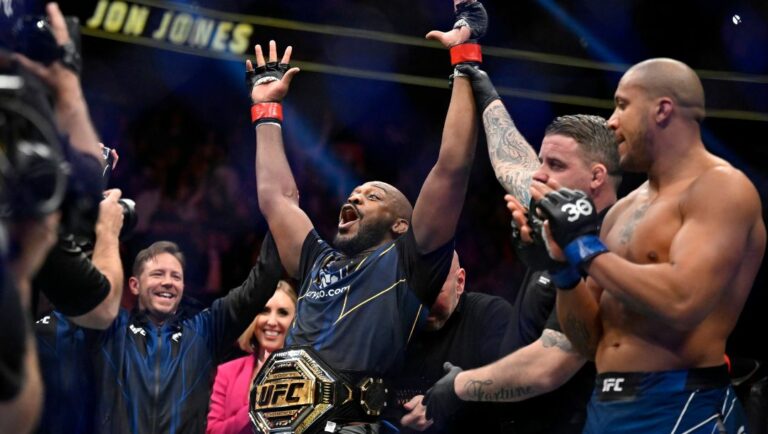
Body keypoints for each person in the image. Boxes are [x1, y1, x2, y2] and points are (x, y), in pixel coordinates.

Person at [246, 1, 484, 430]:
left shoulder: (409, 262)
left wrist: (464, 59)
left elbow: (452, 167)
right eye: (354, 194)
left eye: (372, 197)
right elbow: (277, 199)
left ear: (400, 224)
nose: (355, 198)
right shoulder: (318, 261)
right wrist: (266, 111)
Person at [532, 57, 765, 433]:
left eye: (622, 104)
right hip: (606, 406)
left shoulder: (721, 188)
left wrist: (583, 247)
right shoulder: (622, 210)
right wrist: (563, 268)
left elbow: (682, 301)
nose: (611, 121)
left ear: (662, 110)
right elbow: (590, 343)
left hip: (681, 405)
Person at [421, 65, 620, 433]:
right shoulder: (557, 211)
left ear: (596, 177)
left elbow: (550, 366)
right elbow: (512, 162)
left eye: (555, 165)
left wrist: (461, 386)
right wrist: (481, 83)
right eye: (542, 161)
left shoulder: (609, 244)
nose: (539, 174)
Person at [34, 232, 283, 434]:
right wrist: (95, 227)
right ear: (134, 285)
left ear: (183, 287)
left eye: (176, 276)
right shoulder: (109, 329)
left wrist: (277, 211)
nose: (168, 282)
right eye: (157, 274)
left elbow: (261, 283)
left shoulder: (206, 330)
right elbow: (76, 292)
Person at [396, 251, 513, 434]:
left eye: (434, 291)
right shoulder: (390, 324)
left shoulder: (490, 316)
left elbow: (516, 383)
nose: (422, 306)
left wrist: (462, 390)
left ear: (459, 282)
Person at [206, 280, 297, 434]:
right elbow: (212, 431)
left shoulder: (309, 373)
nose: (271, 321)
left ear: (296, 320)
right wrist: (255, 407)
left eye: (282, 313)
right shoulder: (227, 372)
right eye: (264, 311)